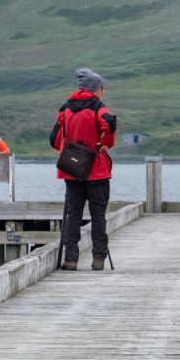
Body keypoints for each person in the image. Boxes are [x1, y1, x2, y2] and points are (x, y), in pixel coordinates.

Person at [49, 67, 117, 271]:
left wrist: (70, 149)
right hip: (96, 170)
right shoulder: (98, 107)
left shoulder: (65, 109)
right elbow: (109, 122)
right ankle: (98, 259)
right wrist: (106, 143)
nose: (103, 91)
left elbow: (54, 140)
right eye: (101, 88)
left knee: (74, 214)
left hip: (72, 170)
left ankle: (70, 259)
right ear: (94, 88)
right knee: (98, 215)